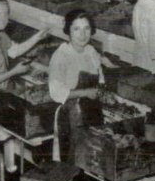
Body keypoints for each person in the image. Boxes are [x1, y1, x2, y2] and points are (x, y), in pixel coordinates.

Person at [0, 0, 49, 173]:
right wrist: (16, 72)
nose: (3, 18)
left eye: (6, 13)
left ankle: (17, 156)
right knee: (37, 106)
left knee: (31, 94)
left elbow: (14, 50)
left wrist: (38, 36)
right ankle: (34, 153)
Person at [49, 10, 118, 162]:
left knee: (93, 157)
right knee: (73, 159)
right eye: (77, 29)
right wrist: (86, 92)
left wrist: (104, 93)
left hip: (92, 112)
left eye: (86, 28)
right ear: (68, 30)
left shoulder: (91, 51)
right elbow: (55, 92)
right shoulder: (61, 56)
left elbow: (100, 81)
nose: (83, 34)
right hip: (71, 116)